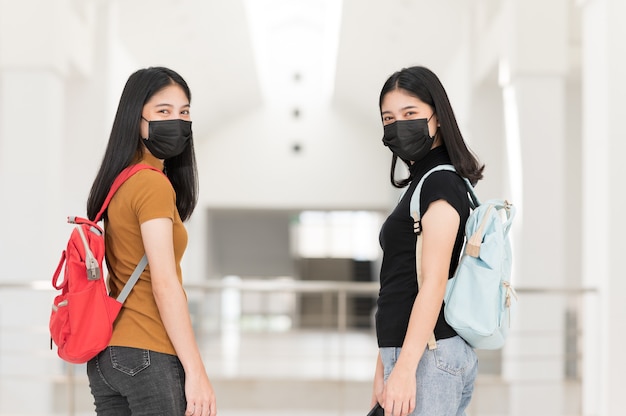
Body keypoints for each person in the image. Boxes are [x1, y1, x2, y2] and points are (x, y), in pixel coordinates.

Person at [85, 66, 217, 416]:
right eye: (163, 112)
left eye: (184, 112)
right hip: (149, 353)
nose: (177, 121)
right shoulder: (153, 184)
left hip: (107, 357)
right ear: (136, 119)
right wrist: (196, 370)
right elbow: (164, 284)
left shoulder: (118, 181)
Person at [371, 66, 482, 416]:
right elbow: (400, 280)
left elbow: (433, 283)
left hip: (427, 357)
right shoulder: (423, 183)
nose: (398, 126)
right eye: (389, 118)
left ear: (437, 117)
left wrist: (403, 369)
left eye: (410, 114)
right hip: (414, 353)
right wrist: (383, 366)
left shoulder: (441, 184)